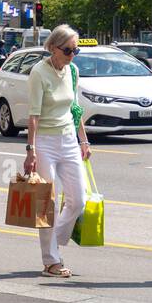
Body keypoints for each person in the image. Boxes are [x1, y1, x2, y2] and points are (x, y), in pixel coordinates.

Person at [23, 24, 93, 278]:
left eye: (76, 50)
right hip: (44, 142)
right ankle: (51, 260)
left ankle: (56, 241)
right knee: (47, 202)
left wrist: (83, 141)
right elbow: (33, 116)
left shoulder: (72, 71)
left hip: (68, 139)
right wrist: (30, 150)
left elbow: (75, 109)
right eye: (67, 50)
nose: (72, 55)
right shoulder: (39, 73)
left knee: (79, 199)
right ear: (52, 47)